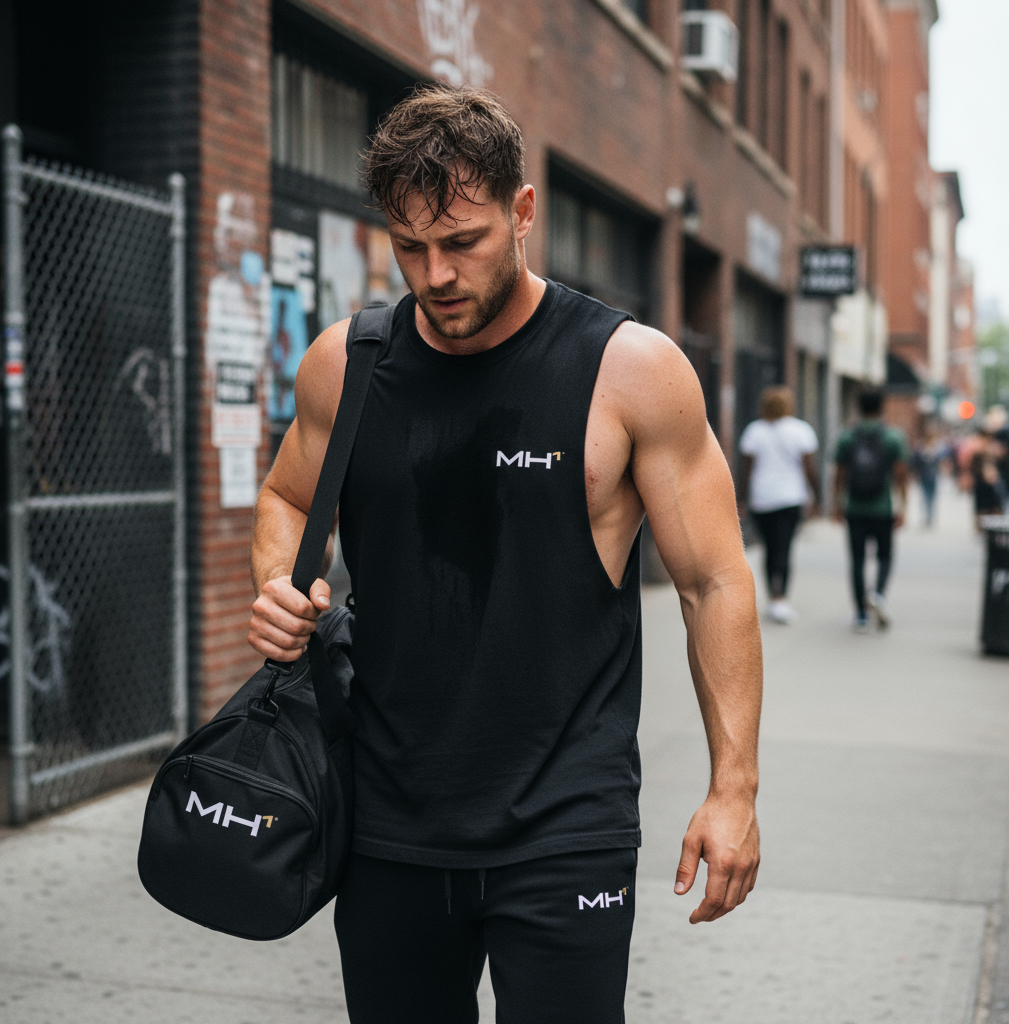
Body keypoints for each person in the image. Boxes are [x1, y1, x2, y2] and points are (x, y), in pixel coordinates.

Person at [248, 84, 762, 1024]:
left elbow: (713, 581)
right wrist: (278, 583)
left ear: (524, 212)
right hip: (386, 823)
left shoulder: (630, 371)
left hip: (566, 824)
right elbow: (285, 494)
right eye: (411, 248)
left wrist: (735, 789)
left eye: (462, 242)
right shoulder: (348, 362)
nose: (435, 275)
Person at [738, 385, 819, 624]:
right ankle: (779, 599)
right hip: (790, 498)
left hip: (762, 499)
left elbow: (747, 470)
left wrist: (742, 498)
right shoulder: (801, 431)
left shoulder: (754, 431)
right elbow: (809, 469)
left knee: (769, 548)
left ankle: (773, 597)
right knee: (784, 548)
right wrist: (816, 497)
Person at [832, 388, 909, 632]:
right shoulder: (892, 437)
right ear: (881, 407)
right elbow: (900, 475)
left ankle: (861, 615)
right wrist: (903, 505)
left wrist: (837, 503)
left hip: (855, 508)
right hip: (882, 507)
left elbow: (840, 474)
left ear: (859, 407)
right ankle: (877, 593)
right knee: (885, 556)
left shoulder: (847, 436)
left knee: (857, 560)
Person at [909, 421, 946, 528]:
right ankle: (926, 517)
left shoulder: (937, 446)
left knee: (932, 497)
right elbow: (914, 462)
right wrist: (914, 474)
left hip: (933, 476)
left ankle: (930, 517)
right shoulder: (920, 447)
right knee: (925, 497)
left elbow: (941, 461)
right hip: (923, 476)